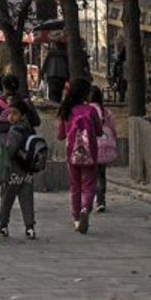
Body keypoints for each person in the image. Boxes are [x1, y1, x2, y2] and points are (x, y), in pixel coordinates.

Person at [56, 77, 102, 235]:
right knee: (89, 184)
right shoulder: (91, 110)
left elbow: (60, 135)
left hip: (72, 152)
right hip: (90, 152)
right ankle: (85, 208)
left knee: (75, 186)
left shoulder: (66, 111)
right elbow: (99, 131)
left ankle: (76, 219)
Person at [0, 99, 37, 240]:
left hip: (13, 170)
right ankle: (30, 227)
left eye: (14, 113)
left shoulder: (15, 130)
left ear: (22, 115)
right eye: (9, 113)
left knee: (7, 198)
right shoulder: (30, 129)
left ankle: (3, 225)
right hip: (27, 170)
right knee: (27, 199)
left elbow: (9, 150)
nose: (10, 117)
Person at [90, 85, 118, 213]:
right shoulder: (107, 112)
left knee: (93, 174)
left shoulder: (88, 110)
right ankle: (102, 200)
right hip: (105, 146)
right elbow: (113, 129)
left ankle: (96, 198)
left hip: (93, 146)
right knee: (102, 174)